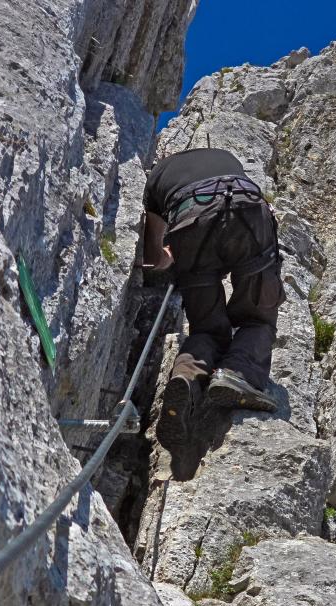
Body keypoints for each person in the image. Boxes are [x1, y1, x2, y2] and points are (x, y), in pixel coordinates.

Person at [142, 147, 286, 452]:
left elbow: (155, 257)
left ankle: (187, 375)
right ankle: (237, 373)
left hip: (189, 220)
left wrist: (171, 259)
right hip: (246, 206)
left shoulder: (156, 179)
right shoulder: (224, 155)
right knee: (256, 314)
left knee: (206, 327)